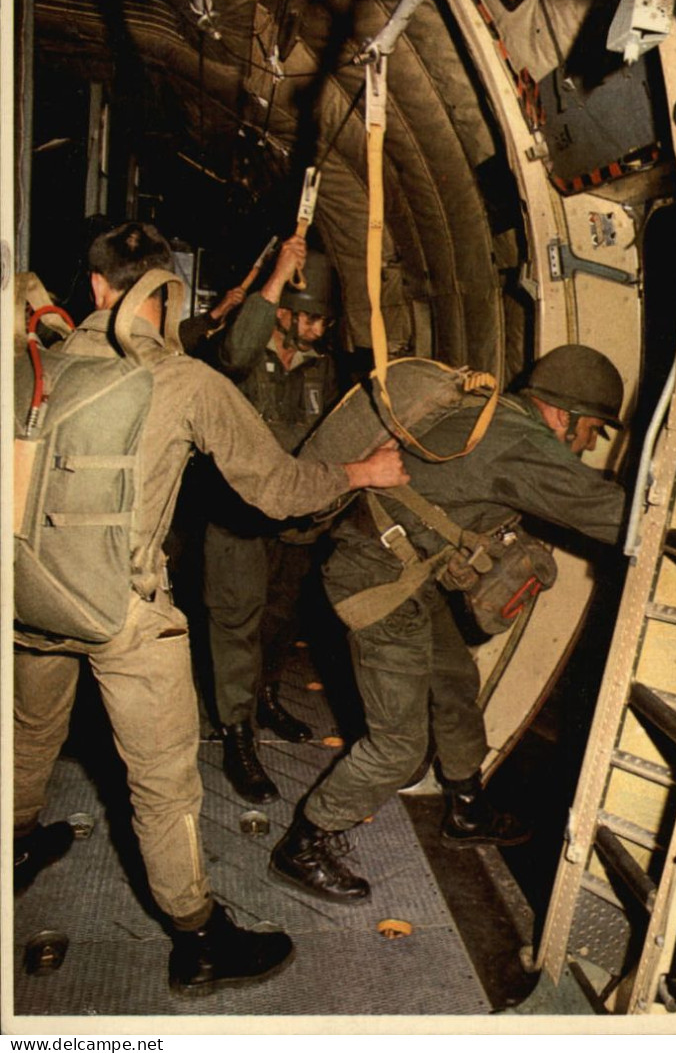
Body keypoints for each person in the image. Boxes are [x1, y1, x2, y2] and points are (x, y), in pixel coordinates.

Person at [13, 221, 408, 994]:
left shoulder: (37, 366)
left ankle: (17, 845)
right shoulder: (187, 383)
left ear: (94, 288)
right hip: (124, 614)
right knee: (162, 785)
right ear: (165, 295)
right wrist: (359, 471)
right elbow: (278, 489)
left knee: (28, 733)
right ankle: (197, 940)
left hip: (30, 597)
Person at [269, 344, 628, 903]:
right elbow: (612, 516)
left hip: (407, 574)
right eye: (593, 431)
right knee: (398, 746)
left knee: (455, 681)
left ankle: (465, 808)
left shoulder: (491, 414)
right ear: (565, 415)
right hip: (378, 583)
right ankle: (306, 840)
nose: (588, 444)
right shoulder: (519, 442)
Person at [201, 240, 339, 804]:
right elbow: (233, 351)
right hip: (237, 514)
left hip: (294, 519)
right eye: (312, 318)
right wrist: (278, 273)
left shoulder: (322, 368)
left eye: (325, 321)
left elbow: (327, 433)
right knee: (235, 622)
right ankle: (237, 734)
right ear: (284, 312)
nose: (319, 330)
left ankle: (265, 695)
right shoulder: (242, 350)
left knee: (280, 618)